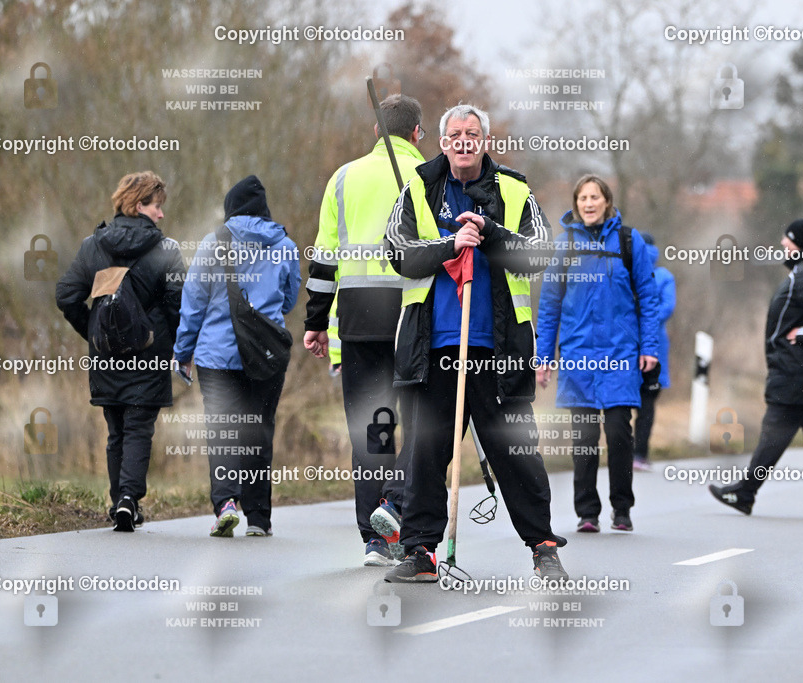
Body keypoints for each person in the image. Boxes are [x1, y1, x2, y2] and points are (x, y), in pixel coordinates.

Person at [382, 103, 568, 582]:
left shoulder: (515, 190)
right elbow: (397, 252)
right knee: (426, 455)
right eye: (454, 134)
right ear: (442, 142)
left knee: (517, 451)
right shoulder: (419, 187)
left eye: (472, 133)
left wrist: (489, 235)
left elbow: (537, 253)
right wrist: (451, 247)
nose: (463, 140)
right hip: (434, 347)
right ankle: (420, 552)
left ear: (485, 140)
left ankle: (543, 546)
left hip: (499, 350)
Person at [303, 94, 425, 567]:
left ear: (377, 132)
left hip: (356, 319)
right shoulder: (428, 178)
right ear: (417, 133)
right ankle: (396, 511)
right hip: (412, 317)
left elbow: (324, 258)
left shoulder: (343, 177)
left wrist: (316, 322)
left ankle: (373, 537)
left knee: (371, 429)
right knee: (417, 425)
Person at [56, 170, 184, 532]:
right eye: (156, 206)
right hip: (150, 353)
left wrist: (93, 332)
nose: (161, 214)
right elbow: (179, 307)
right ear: (138, 204)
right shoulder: (167, 250)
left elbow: (65, 295)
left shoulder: (91, 246)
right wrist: (175, 346)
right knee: (139, 426)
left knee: (116, 429)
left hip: (107, 355)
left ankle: (119, 502)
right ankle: (129, 499)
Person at [174, 175, 301, 537]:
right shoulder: (285, 245)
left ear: (231, 209)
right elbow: (290, 299)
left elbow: (194, 303)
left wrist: (183, 351)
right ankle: (259, 519)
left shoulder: (213, 243)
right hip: (266, 355)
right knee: (259, 432)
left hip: (217, 357)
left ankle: (227, 504)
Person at [709, 218, 803, 518]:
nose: (782, 243)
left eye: (788, 238)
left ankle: (745, 492)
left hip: (800, 370)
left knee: (775, 429)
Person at [536, 175, 660, 534]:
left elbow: (648, 298)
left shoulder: (627, 240)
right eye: (582, 198)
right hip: (578, 356)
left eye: (595, 197)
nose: (589, 203)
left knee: (620, 431)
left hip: (621, 353)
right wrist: (544, 357)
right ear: (576, 204)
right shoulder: (565, 245)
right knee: (585, 438)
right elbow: (549, 306)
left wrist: (649, 347)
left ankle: (622, 509)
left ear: (607, 202)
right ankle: (587, 512)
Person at [633, 232, 676, 472]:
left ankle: (623, 452)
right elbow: (667, 309)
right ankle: (639, 455)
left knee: (621, 405)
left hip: (625, 347)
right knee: (647, 404)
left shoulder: (624, 272)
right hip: (655, 349)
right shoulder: (664, 276)